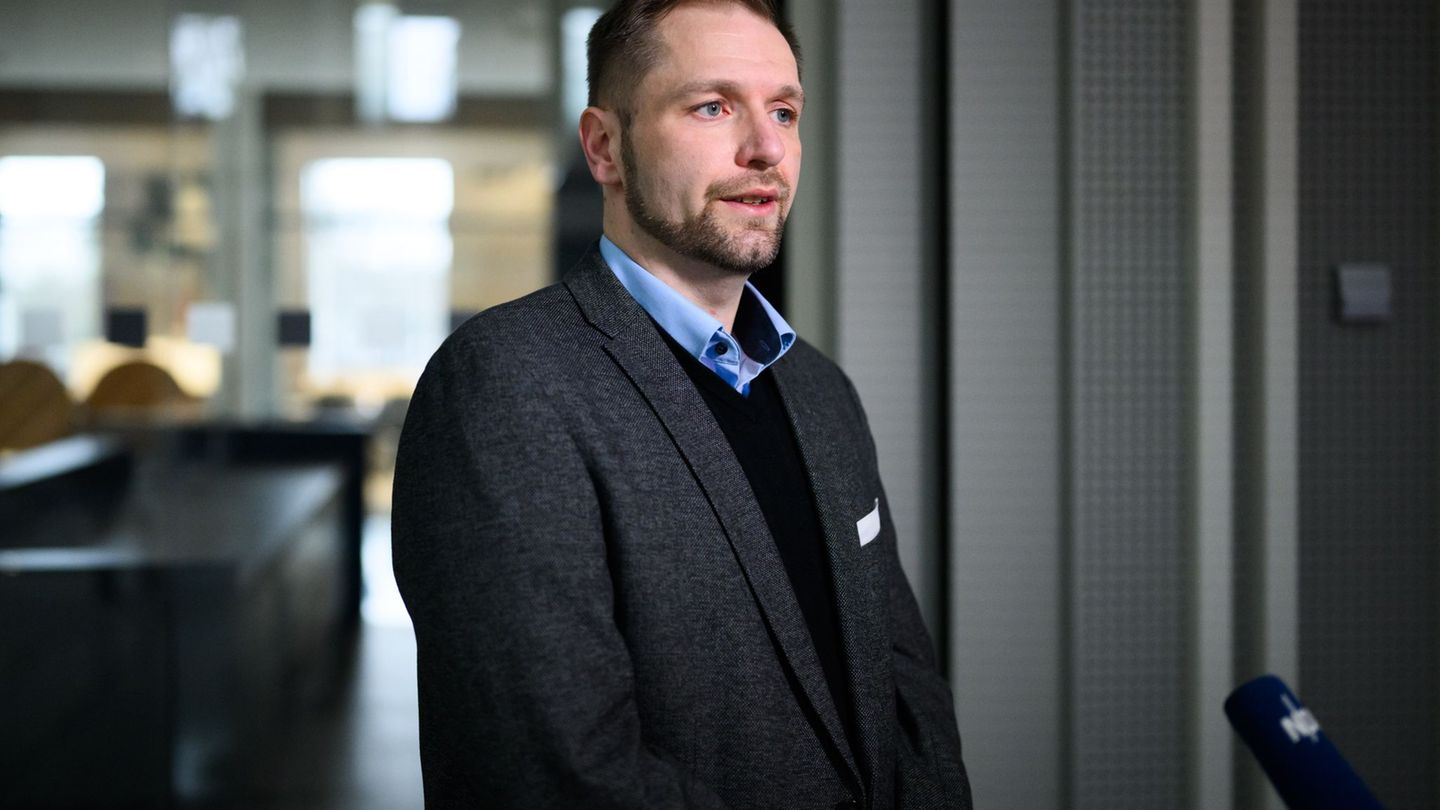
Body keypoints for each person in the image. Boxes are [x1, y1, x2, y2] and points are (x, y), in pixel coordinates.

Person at [391, 0, 973, 807]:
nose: (767, 148)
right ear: (605, 147)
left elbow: (908, 692)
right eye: (712, 107)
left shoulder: (823, 392)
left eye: (784, 111)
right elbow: (556, 773)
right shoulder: (505, 383)